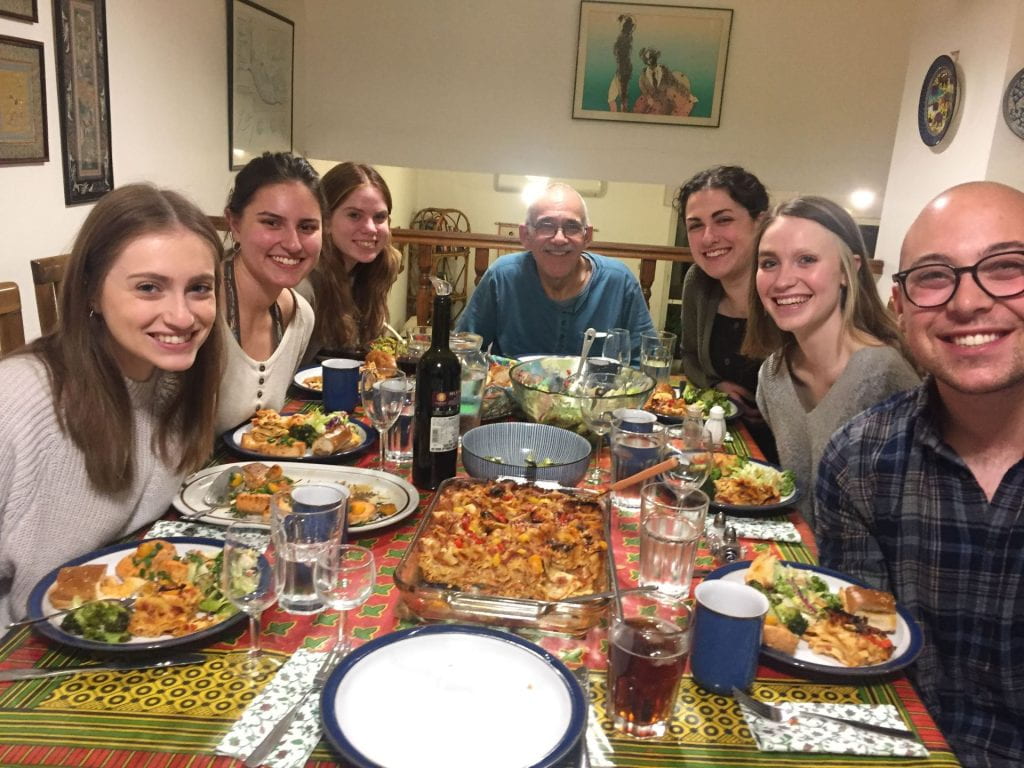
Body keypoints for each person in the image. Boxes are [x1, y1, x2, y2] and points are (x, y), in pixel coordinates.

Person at [815, 181, 1024, 768]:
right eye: (934, 275)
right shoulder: (858, 462)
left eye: (1006, 267)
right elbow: (861, 658)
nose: (967, 302)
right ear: (899, 307)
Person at [0, 184, 223, 627]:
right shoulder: (20, 402)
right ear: (90, 292)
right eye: (149, 288)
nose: (182, 316)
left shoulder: (177, 378)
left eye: (199, 288)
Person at [743, 196, 918, 523]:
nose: (782, 281)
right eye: (769, 263)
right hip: (793, 558)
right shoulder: (773, 374)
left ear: (847, 270)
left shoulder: (882, 374)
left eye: (806, 259)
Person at [456, 182, 655, 361]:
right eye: (546, 225)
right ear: (525, 235)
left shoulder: (619, 282)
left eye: (572, 226)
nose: (559, 238)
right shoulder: (502, 277)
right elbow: (463, 352)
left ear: (587, 236)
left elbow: (645, 365)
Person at [217, 152, 325, 433]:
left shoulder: (300, 317)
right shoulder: (197, 309)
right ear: (235, 224)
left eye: (307, 227)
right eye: (272, 223)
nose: (293, 244)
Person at [677, 165, 776, 458]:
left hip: (788, 453)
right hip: (727, 443)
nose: (708, 238)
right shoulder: (698, 283)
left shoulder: (786, 288)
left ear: (760, 222)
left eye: (723, 220)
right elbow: (690, 356)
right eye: (696, 225)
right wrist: (715, 384)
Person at [303, 162, 402, 360]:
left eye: (379, 217)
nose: (371, 228)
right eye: (354, 215)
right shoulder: (305, 283)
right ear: (326, 220)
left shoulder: (371, 271)